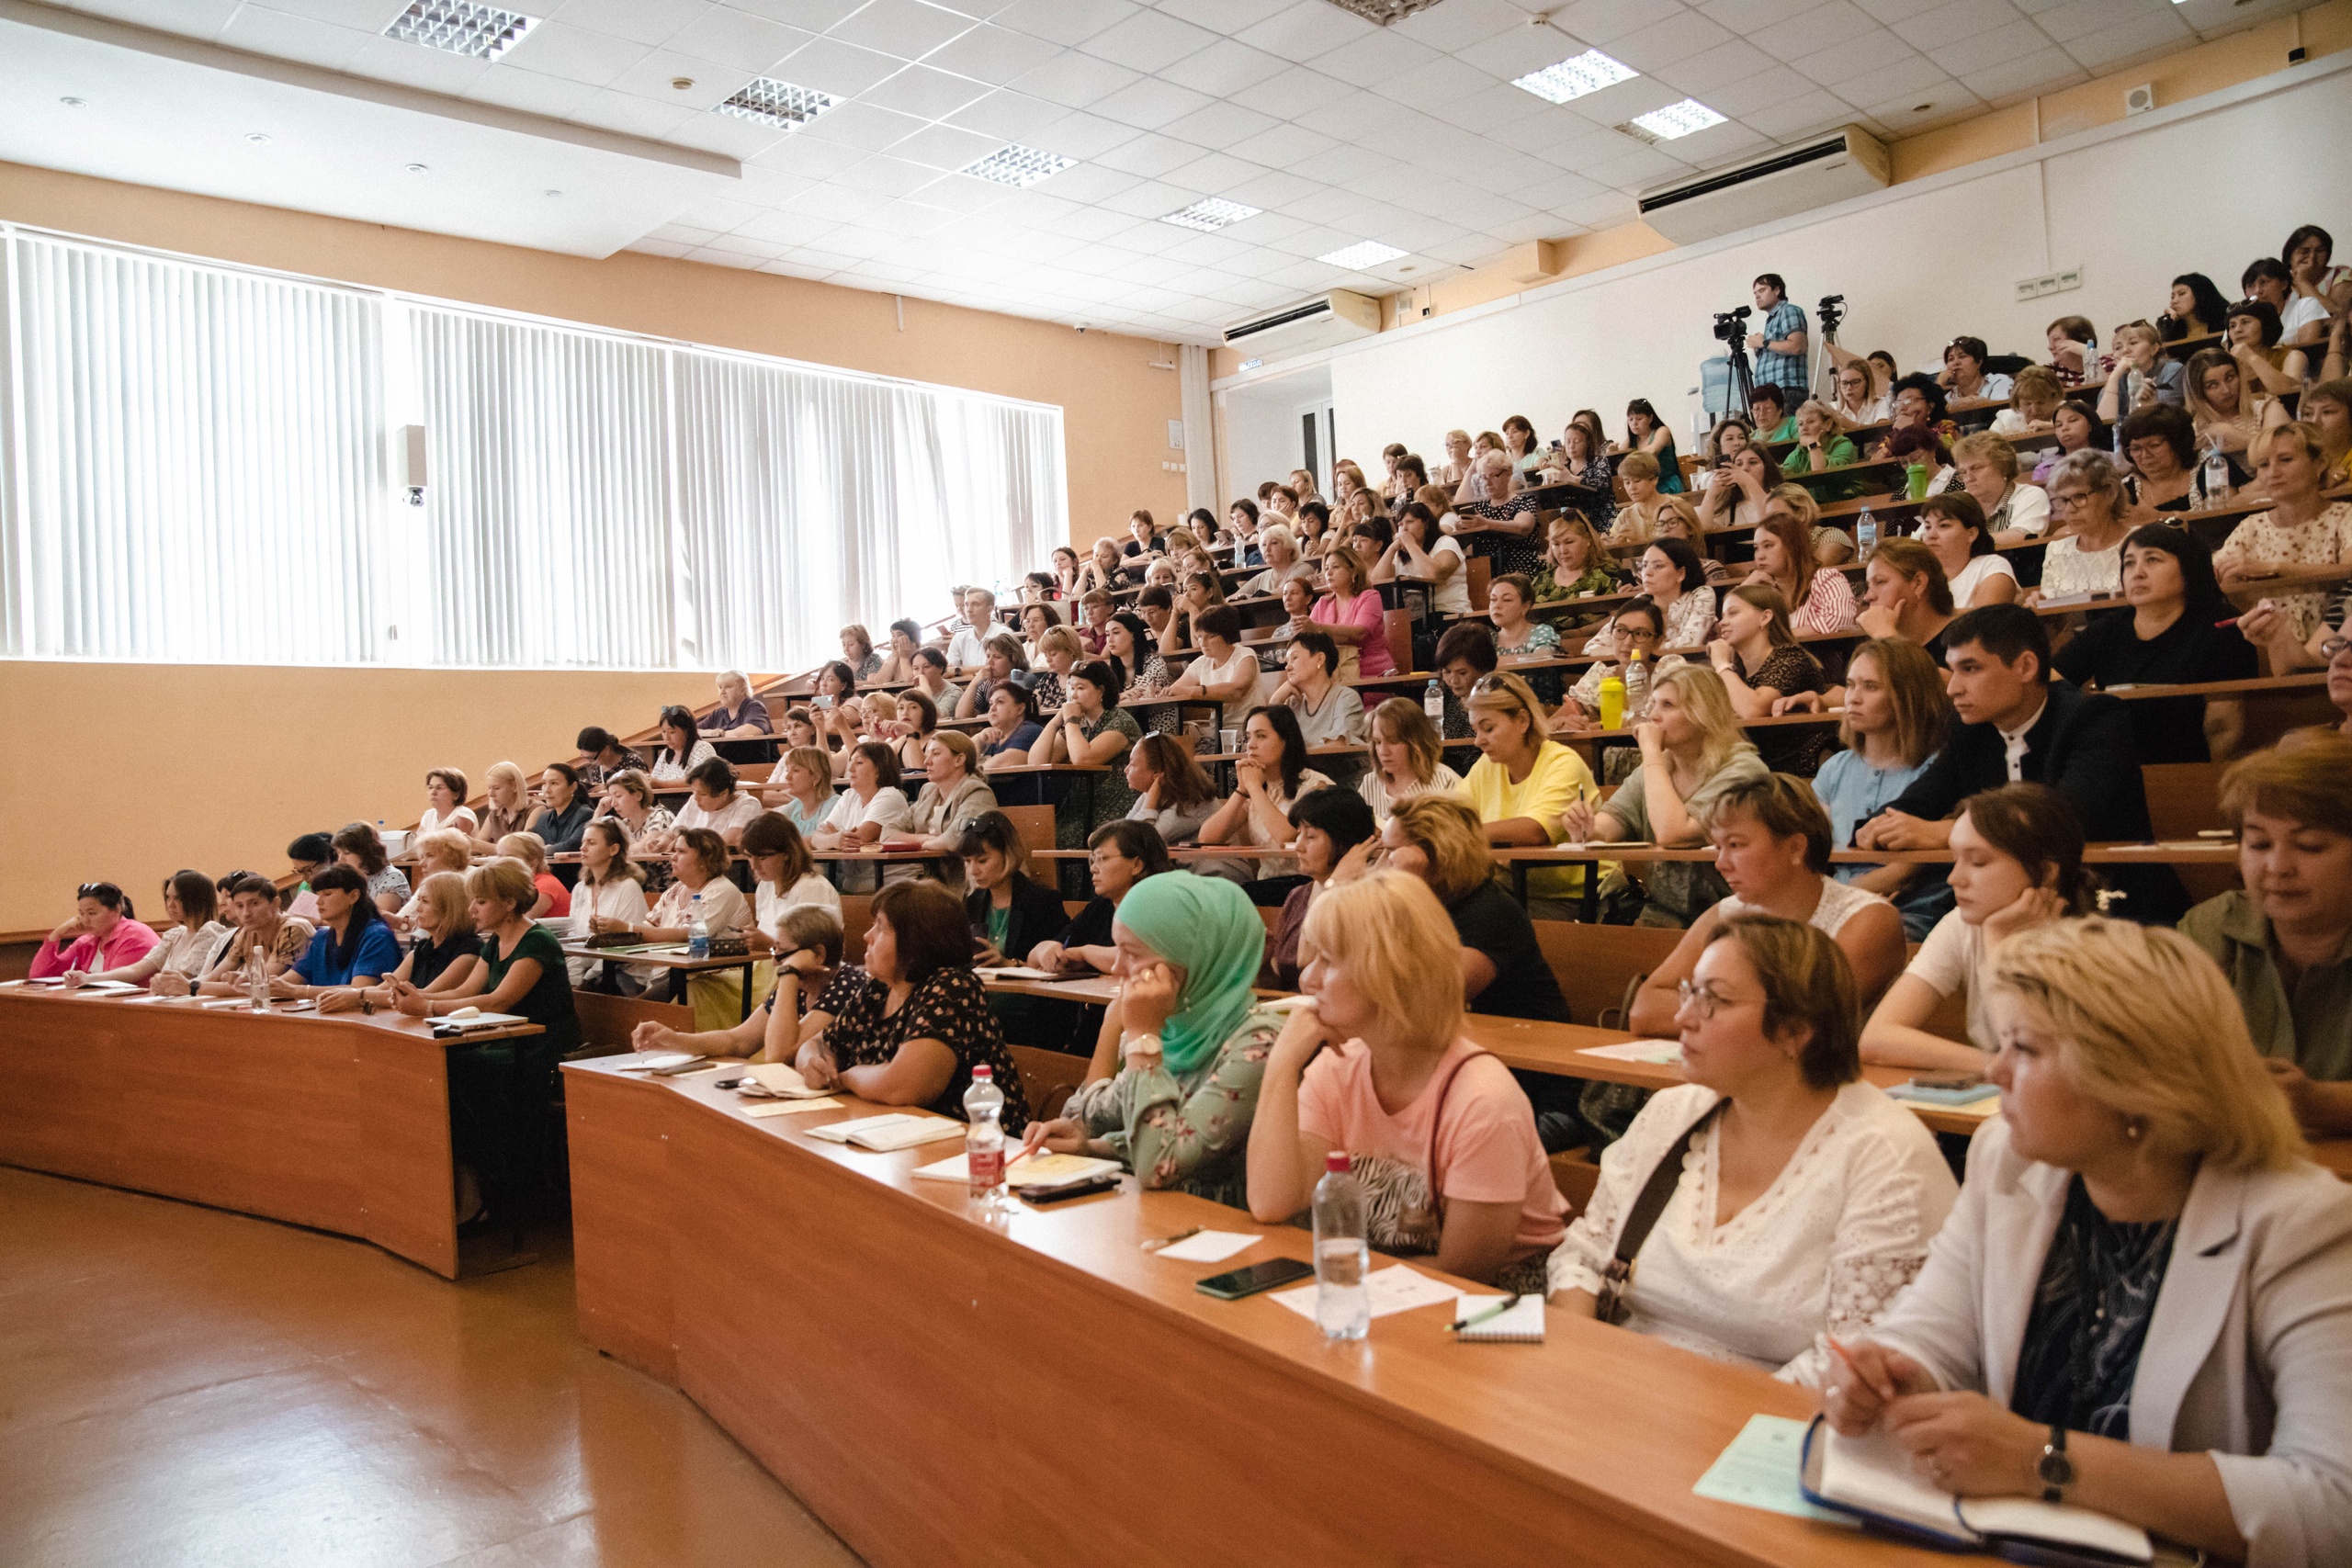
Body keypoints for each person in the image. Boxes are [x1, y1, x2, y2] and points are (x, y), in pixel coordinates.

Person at [1823, 919, 2352, 1568]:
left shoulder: (2301, 1223)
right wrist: (1892, 1367)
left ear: (2132, 1077)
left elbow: (2334, 1506)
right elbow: (1931, 1328)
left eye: (2024, 1048)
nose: (1994, 1070)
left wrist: (2041, 1460)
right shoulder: (2007, 1158)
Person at [1548, 915, 1957, 1381]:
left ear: (1794, 1030)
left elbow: (1856, 1357)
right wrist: (1579, 1362)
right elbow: (1585, 1256)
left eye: (1714, 1000)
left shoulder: (1886, 1156)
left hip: (1780, 1414)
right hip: (1621, 1381)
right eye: (1689, 992)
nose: (1682, 1018)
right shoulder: (1673, 1113)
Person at [1249, 873, 1567, 1290]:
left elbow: (1463, 1273)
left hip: (1494, 1301)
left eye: (1328, 960)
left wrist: (1341, 1278)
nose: (1307, 978)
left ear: (1389, 973)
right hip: (1383, 1284)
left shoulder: (1483, 1100)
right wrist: (1281, 1064)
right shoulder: (1337, 1068)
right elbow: (1271, 1203)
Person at [1861, 604, 2181, 921]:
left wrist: (1948, 831)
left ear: (2026, 667)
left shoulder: (2095, 718)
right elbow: (1921, 800)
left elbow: (2065, 818)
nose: (1952, 688)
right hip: (1999, 902)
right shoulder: (1971, 731)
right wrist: (1878, 827)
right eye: (1952, 670)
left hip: (2104, 904)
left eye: (1970, 669)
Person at [1629, 774, 1905, 1033]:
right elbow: (1645, 1009)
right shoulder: (1727, 913)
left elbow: (1801, 1022)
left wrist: (1701, 1007)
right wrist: (1742, 1010)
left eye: (1735, 845)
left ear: (1796, 847)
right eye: (1718, 847)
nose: (1720, 864)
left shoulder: (1868, 919)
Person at [391, 857, 579, 1224]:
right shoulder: (494, 942)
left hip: (540, 1048)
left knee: (456, 1075)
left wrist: (426, 1006)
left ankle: (485, 1190)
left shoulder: (536, 941)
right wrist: (417, 998)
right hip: (502, 1041)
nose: (471, 909)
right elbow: (466, 991)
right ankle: (468, 1187)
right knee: (443, 1072)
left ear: (508, 903)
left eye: (480, 901)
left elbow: (498, 1001)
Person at [2181, 732, 2352, 1136]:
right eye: (2259, 844)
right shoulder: (2209, 927)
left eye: (2309, 846)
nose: (2278, 867)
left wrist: (2321, 1103)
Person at [1862, 782, 2094, 1067]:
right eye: (1954, 859)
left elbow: (2037, 1059)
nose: (1954, 879)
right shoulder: (1962, 924)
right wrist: (1995, 1067)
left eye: (1978, 862)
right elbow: (1876, 1039)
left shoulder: (2089, 945)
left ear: (2046, 872)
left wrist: (1997, 940)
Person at [793, 880, 1029, 1129]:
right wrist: (814, 1063)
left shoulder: (953, 987)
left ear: (915, 942)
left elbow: (904, 1087)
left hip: (977, 1142)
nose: (867, 936)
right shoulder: (878, 990)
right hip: (898, 1134)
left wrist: (846, 1078)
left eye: (880, 927)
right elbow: (816, 1044)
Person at [1564, 666, 1770, 928]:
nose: (1653, 716)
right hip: (1663, 911)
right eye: (1653, 704)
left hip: (1734, 913)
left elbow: (1673, 833)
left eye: (1668, 705)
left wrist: (1651, 753)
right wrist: (1586, 826)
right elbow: (1610, 824)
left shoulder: (1743, 770)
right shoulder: (1655, 769)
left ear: (1703, 713)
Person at [2053, 525, 2257, 764]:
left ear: (2188, 569)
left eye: (2152, 559)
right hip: (2114, 764)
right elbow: (2050, 682)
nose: (2137, 573)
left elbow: (2223, 727)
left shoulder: (2220, 625)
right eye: (2129, 563)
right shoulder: (2108, 629)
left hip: (2193, 767)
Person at [1811, 638, 1957, 940]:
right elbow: (1812, 845)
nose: (1854, 698)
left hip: (1910, 908)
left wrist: (1836, 899)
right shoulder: (1834, 769)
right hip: (1839, 901)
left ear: (1907, 696)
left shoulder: (1938, 769)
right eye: (1850, 685)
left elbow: (1907, 870)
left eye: (1871, 687)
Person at [1381, 795, 1570, 1023]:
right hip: (1470, 1034)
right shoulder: (1439, 900)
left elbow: (1434, 996)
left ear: (1436, 854)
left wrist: (1409, 892)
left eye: (1392, 852)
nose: (1382, 864)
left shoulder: (1491, 912)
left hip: (1532, 1036)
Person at [1459, 671, 1600, 918]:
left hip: (1575, 898)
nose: (1478, 741)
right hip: (1512, 888)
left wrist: (1461, 831)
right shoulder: (1487, 766)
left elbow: (1534, 831)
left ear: (1523, 721)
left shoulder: (1562, 763)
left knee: (1470, 917)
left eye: (1488, 728)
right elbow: (1449, 812)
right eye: (1475, 730)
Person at [2218, 423, 2352, 643]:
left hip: (2336, 645)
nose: (2273, 472)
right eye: (2263, 465)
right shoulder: (2250, 527)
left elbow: (2349, 571)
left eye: (2286, 460)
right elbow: (2217, 577)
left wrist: (2273, 568)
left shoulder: (2345, 516)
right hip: (2267, 646)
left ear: (2319, 464)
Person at [956, 810, 1070, 1043]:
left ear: (1008, 855)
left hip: (1029, 1008)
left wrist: (1009, 963)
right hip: (984, 1000)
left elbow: (1062, 966)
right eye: (968, 862)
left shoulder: (1041, 901)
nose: (973, 870)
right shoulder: (973, 902)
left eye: (982, 860)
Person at [1196, 705, 1336, 896]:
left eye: (1261, 736)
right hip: (1268, 884)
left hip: (1308, 885)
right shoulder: (1256, 789)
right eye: (1248, 737)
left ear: (1286, 740)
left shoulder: (1315, 785)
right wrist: (1242, 790)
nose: (1251, 745)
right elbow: (1207, 838)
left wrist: (1254, 788)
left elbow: (1286, 837)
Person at [1029, 819, 1169, 986]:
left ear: (1137, 865)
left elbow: (1143, 959)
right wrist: (1045, 949)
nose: (1093, 868)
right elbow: (1034, 959)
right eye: (1093, 860)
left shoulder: (1162, 906)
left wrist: (1085, 953)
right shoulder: (1099, 907)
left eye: (1102, 858)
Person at [1706, 584, 1828, 774]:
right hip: (1757, 769)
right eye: (1723, 616)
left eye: (1733, 613)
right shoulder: (1738, 671)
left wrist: (1721, 664)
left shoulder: (1791, 658)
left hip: (1798, 771)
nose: (1722, 622)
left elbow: (1753, 711)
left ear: (1765, 617)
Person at [320, 870, 481, 1013]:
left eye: (425, 901)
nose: (418, 909)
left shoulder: (469, 952)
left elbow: (424, 996)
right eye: (419, 901)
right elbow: (382, 988)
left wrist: (358, 996)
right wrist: (339, 994)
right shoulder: (422, 949)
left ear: (449, 907)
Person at [55, 870, 227, 990]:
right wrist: (86, 978)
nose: (170, 904)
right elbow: (135, 970)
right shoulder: (176, 934)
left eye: (178, 898)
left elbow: (181, 979)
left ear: (197, 900)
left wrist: (158, 983)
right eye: (168, 897)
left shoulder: (210, 932)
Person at [1033, 659, 1142, 837]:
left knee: (1066, 838)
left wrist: (1070, 721)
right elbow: (1036, 762)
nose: (1073, 696)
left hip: (1113, 809)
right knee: (1042, 837)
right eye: (1071, 688)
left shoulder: (1121, 722)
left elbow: (1083, 759)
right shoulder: (1077, 724)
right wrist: (1055, 722)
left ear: (1101, 691)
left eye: (1081, 688)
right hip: (1080, 808)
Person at [1555, 597, 1688, 731]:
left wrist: (1599, 726)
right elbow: (1553, 723)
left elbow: (1676, 722)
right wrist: (1568, 723)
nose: (1627, 642)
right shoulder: (1601, 674)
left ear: (1657, 641)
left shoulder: (1669, 670)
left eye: (1640, 634)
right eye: (1620, 630)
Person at [175, 874, 314, 997]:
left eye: (254, 904)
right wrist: (177, 985)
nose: (246, 913)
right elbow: (214, 976)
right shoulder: (248, 931)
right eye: (240, 906)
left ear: (275, 903)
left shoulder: (293, 928)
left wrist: (192, 987)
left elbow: (262, 984)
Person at [273, 865, 401, 994]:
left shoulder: (377, 936)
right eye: (317, 894)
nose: (318, 901)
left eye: (327, 894)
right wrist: (269, 986)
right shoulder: (321, 937)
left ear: (354, 896)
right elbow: (290, 980)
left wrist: (298, 991)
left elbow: (358, 991)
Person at [565, 819, 650, 987]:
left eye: (591, 843)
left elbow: (627, 944)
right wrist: (573, 979)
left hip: (624, 973)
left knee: (596, 986)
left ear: (613, 849)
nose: (583, 848)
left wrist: (584, 980)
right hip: (586, 970)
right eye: (583, 842)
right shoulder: (580, 888)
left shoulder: (628, 887)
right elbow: (574, 939)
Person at [740, 810, 841, 950]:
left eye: (763, 858)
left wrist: (769, 945)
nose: (754, 866)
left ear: (787, 853)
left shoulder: (811, 887)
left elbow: (815, 952)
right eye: (749, 857)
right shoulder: (765, 886)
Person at [1747, 509, 1856, 637]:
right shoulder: (1762, 591)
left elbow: (1838, 620)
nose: (1760, 556)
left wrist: (1778, 638)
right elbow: (1736, 632)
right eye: (1756, 548)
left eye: (1768, 546)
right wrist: (1745, 588)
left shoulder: (1825, 579)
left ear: (1792, 546)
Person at [1357, 697, 1464, 824]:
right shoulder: (1370, 782)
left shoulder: (1446, 782)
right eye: (1377, 742)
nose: (1383, 751)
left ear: (1416, 741)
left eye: (1393, 741)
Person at [31, 879, 161, 983]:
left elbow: (115, 984)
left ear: (116, 910)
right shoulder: (87, 941)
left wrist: (84, 979)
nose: (85, 921)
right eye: (81, 914)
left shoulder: (135, 935)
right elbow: (39, 976)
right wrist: (56, 934)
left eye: (92, 913)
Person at [898, 730, 998, 854]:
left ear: (959, 760)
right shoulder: (928, 791)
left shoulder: (978, 793)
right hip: (929, 865)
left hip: (966, 866)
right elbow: (888, 833)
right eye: (927, 754)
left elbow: (956, 838)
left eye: (936, 754)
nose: (926, 761)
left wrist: (917, 844)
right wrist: (925, 838)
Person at [1914, 490, 2016, 609]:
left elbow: (1987, 618)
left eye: (1944, 525)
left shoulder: (1991, 566)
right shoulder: (1918, 577)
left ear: (1971, 534)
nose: (1931, 535)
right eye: (1927, 527)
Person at [1264, 629, 1364, 748]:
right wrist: (1275, 700)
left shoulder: (1346, 698)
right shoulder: (1292, 703)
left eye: (1294, 658)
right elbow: (1270, 746)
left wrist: (1295, 755)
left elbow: (1338, 745)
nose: (1287, 667)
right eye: (1287, 662)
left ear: (1320, 659)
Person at [2119, 402, 2221, 516]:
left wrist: (2159, 516)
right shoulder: (2124, 491)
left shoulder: (2212, 469)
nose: (2144, 455)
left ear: (2178, 443)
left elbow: (2223, 516)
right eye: (2136, 448)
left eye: (2154, 445)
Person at [2185, 346, 2286, 460]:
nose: (2226, 390)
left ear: (2240, 376)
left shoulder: (2267, 409)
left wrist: (2236, 436)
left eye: (2230, 378)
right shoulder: (2193, 430)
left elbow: (2285, 452)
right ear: (2198, 393)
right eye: (2213, 385)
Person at [1372, 501, 1469, 617]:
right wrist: (1392, 548)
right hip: (1416, 617)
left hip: (1449, 612)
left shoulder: (1446, 542)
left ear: (1426, 524)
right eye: (1400, 524)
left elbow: (1434, 575)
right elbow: (1376, 582)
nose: (1404, 528)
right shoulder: (1400, 554)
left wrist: (1411, 545)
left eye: (1410, 522)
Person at [1951, 433, 2048, 547]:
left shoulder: (2030, 496)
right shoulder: (1955, 504)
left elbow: (2020, 537)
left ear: (2004, 467)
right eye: (1963, 472)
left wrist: (1958, 542)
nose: (1968, 478)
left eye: (1976, 468)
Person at [1123, 731, 1218, 845]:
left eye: (1133, 764)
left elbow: (1139, 842)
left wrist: (1150, 804)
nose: (1126, 770)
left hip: (1215, 857)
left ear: (1157, 772)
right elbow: (1123, 832)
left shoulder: (1188, 800)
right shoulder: (1153, 792)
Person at [1628, 537, 1718, 650]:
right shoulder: (1640, 601)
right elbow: (1608, 642)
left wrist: (1642, 652)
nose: (1647, 572)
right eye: (1644, 565)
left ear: (1681, 573)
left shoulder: (1701, 595)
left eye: (1658, 566)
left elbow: (1689, 644)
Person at [1529, 510, 1622, 609]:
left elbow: (1617, 616)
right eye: (1556, 544)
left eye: (1569, 542)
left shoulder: (1608, 574)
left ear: (1588, 540)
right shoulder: (1541, 580)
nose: (1563, 550)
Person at [671, 756, 762, 849]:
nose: (696, 798)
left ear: (723, 793)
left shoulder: (748, 804)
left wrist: (686, 844)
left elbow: (732, 840)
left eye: (703, 794)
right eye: (693, 791)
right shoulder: (693, 800)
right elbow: (673, 831)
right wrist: (669, 838)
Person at [1430, 620, 1498, 740]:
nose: (1453, 681)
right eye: (1447, 672)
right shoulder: (1442, 695)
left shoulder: (1496, 700)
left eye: (1462, 673)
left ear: (1483, 669)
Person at [524, 762, 595, 873]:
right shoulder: (544, 817)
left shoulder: (585, 814)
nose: (547, 790)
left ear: (573, 787)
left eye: (554, 783)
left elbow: (572, 845)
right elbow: (525, 842)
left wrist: (544, 850)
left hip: (573, 877)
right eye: (544, 783)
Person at [330, 822, 411, 916]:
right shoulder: (353, 878)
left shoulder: (392, 877)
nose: (340, 859)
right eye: (339, 853)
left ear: (365, 852)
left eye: (347, 853)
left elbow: (378, 918)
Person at [2034, 396, 2110, 483]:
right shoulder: (2045, 470)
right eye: (2059, 425)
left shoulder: (2111, 461)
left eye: (2072, 420)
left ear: (2090, 425)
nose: (2064, 428)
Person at [974, 680, 1046, 772]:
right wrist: (979, 738)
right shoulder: (993, 736)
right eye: (991, 703)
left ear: (1020, 709)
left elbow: (997, 766)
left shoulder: (1031, 730)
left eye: (1000, 702)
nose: (992, 708)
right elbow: (962, 761)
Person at [494, 832, 567, 919]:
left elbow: (519, 921)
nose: (501, 862)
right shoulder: (513, 884)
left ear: (533, 863)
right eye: (500, 857)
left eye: (510, 858)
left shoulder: (546, 886)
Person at [1782, 398, 1858, 477]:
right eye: (1800, 424)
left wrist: (1813, 445)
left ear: (1828, 424)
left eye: (1810, 421)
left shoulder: (1843, 444)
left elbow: (1822, 476)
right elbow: (1783, 475)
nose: (1804, 428)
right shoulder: (1799, 452)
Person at [649, 705, 716, 784]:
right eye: (663, 732)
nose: (666, 737)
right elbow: (653, 778)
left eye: (672, 732)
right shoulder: (665, 753)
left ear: (687, 730)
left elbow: (698, 780)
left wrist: (660, 784)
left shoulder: (702, 748)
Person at [2159, 272, 2231, 342]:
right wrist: (2168, 321)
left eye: (2181, 293)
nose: (2174, 301)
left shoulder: (2227, 322)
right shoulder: (2174, 332)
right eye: (2172, 297)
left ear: (2200, 294)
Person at [704, 671, 773, 740]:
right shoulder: (718, 713)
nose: (722, 692)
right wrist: (710, 733)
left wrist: (721, 734)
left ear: (743, 690)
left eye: (728, 687)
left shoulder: (755, 707)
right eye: (720, 687)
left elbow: (753, 730)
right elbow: (696, 731)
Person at [944, 587, 997, 673]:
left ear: (989, 610)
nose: (969, 610)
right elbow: (947, 671)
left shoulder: (1003, 634)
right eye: (966, 605)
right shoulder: (958, 638)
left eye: (975, 604)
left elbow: (996, 668)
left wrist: (958, 670)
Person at [417, 767, 477, 838]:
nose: (433, 792)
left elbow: (447, 843)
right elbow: (416, 842)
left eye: (439, 788)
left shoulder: (463, 815)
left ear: (456, 795)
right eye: (430, 787)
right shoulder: (429, 815)